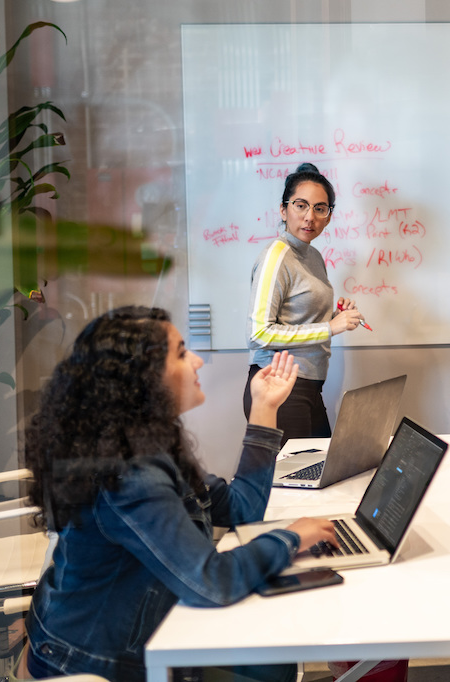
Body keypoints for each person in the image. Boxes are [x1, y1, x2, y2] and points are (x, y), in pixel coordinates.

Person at [24, 306, 338, 682]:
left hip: (136, 633)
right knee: (270, 667)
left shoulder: (150, 444)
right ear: (143, 379)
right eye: (182, 352)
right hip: (89, 662)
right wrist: (290, 538)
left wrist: (265, 407)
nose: (198, 361)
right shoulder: (131, 475)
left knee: (275, 661)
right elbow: (212, 582)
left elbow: (241, 510)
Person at [244, 162, 365, 439]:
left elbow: (300, 319)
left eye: (320, 208)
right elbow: (258, 333)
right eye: (301, 206)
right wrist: (329, 328)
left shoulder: (313, 256)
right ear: (283, 210)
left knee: (323, 465)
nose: (310, 217)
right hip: (278, 385)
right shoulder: (276, 256)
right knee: (298, 469)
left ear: (329, 216)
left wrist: (334, 317)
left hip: (308, 386)